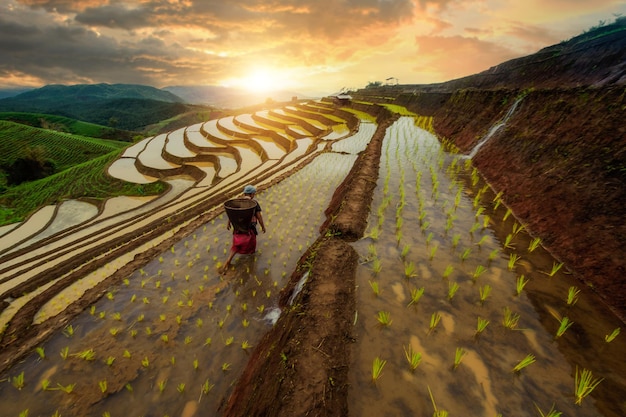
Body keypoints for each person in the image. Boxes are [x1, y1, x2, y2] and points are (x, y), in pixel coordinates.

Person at [222, 185, 266, 271]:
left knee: (236, 246)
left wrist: (228, 223)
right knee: (252, 247)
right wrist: (263, 226)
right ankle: (250, 264)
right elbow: (259, 216)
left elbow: (232, 214)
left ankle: (228, 261)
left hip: (238, 229)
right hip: (249, 229)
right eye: (254, 193)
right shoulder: (253, 203)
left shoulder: (238, 202)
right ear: (252, 194)